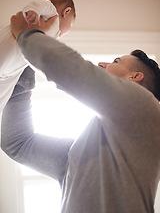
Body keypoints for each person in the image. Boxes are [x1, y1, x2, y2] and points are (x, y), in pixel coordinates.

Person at [1, 12, 160, 213]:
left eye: (116, 61)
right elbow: (17, 142)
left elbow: (73, 72)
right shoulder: (77, 154)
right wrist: (22, 64)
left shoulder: (146, 107)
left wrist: (27, 35)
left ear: (135, 77)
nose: (102, 63)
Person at [0, 0, 76, 112]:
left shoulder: (49, 35)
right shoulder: (51, 13)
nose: (61, 35)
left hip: (13, 66)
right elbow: (38, 3)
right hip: (10, 46)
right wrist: (33, 12)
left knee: (5, 91)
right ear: (66, 12)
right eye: (70, 26)